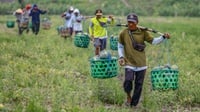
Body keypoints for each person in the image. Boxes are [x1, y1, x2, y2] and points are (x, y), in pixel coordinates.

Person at [118, 13, 170, 107]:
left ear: (137, 23)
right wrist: (121, 57)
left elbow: (153, 42)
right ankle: (128, 96)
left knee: (139, 85)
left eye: (132, 22)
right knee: (128, 81)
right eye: (129, 22)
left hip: (141, 64)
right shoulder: (124, 33)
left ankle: (133, 105)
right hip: (129, 63)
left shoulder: (143, 32)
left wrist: (163, 37)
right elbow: (120, 46)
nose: (130, 24)